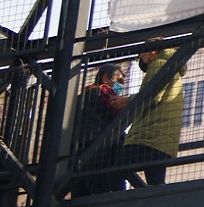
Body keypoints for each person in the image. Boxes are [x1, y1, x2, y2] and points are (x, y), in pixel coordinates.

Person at [116, 48, 185, 186]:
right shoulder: (171, 66)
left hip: (149, 134)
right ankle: (157, 201)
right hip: (162, 137)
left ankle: (145, 196)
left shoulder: (159, 64)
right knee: (156, 181)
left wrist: (127, 101)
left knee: (119, 167)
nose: (140, 58)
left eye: (141, 54)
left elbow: (152, 96)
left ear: (152, 52)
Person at [73, 64, 127, 196]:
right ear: (105, 79)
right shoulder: (104, 91)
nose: (120, 85)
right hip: (100, 147)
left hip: (78, 149)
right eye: (118, 80)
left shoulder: (82, 96)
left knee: (83, 191)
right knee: (107, 188)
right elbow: (117, 113)